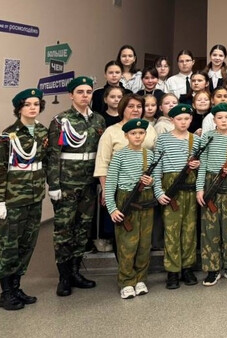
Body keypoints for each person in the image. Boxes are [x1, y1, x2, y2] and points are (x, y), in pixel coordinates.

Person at [46, 76, 105, 297]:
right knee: (64, 230)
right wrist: (54, 184)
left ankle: (75, 272)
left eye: (88, 92)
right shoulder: (61, 121)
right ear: (71, 95)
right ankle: (63, 277)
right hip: (67, 184)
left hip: (88, 183)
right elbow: (53, 156)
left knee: (83, 230)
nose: (85, 96)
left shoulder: (98, 120)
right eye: (80, 92)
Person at [0, 89, 48, 311]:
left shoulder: (42, 131)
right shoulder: (8, 135)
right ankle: (6, 292)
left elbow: (45, 162)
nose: (32, 108)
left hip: (35, 196)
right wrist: (0, 200)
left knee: (28, 244)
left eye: (36, 104)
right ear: (19, 108)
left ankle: (17, 286)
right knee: (9, 246)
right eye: (27, 104)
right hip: (13, 199)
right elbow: (1, 169)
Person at [105, 119, 160, 299]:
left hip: (145, 201)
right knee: (127, 244)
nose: (137, 136)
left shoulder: (149, 155)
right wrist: (112, 208)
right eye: (133, 133)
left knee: (144, 243)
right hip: (126, 199)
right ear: (126, 135)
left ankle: (141, 278)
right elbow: (110, 183)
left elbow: (155, 179)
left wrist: (151, 182)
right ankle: (126, 281)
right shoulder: (119, 156)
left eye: (141, 133)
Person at [196, 103, 227, 286]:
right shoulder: (207, 137)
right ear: (214, 119)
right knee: (210, 228)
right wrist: (200, 188)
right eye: (220, 117)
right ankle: (212, 268)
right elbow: (202, 163)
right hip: (211, 183)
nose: (224, 121)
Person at [152, 104, 200, 289]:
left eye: (187, 119)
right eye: (179, 119)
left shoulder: (195, 140)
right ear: (172, 120)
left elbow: (201, 165)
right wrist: (158, 191)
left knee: (189, 229)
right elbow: (157, 166)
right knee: (171, 230)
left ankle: (187, 267)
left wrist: (197, 165)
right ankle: (172, 270)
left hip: (190, 189)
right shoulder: (163, 139)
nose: (183, 122)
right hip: (170, 188)